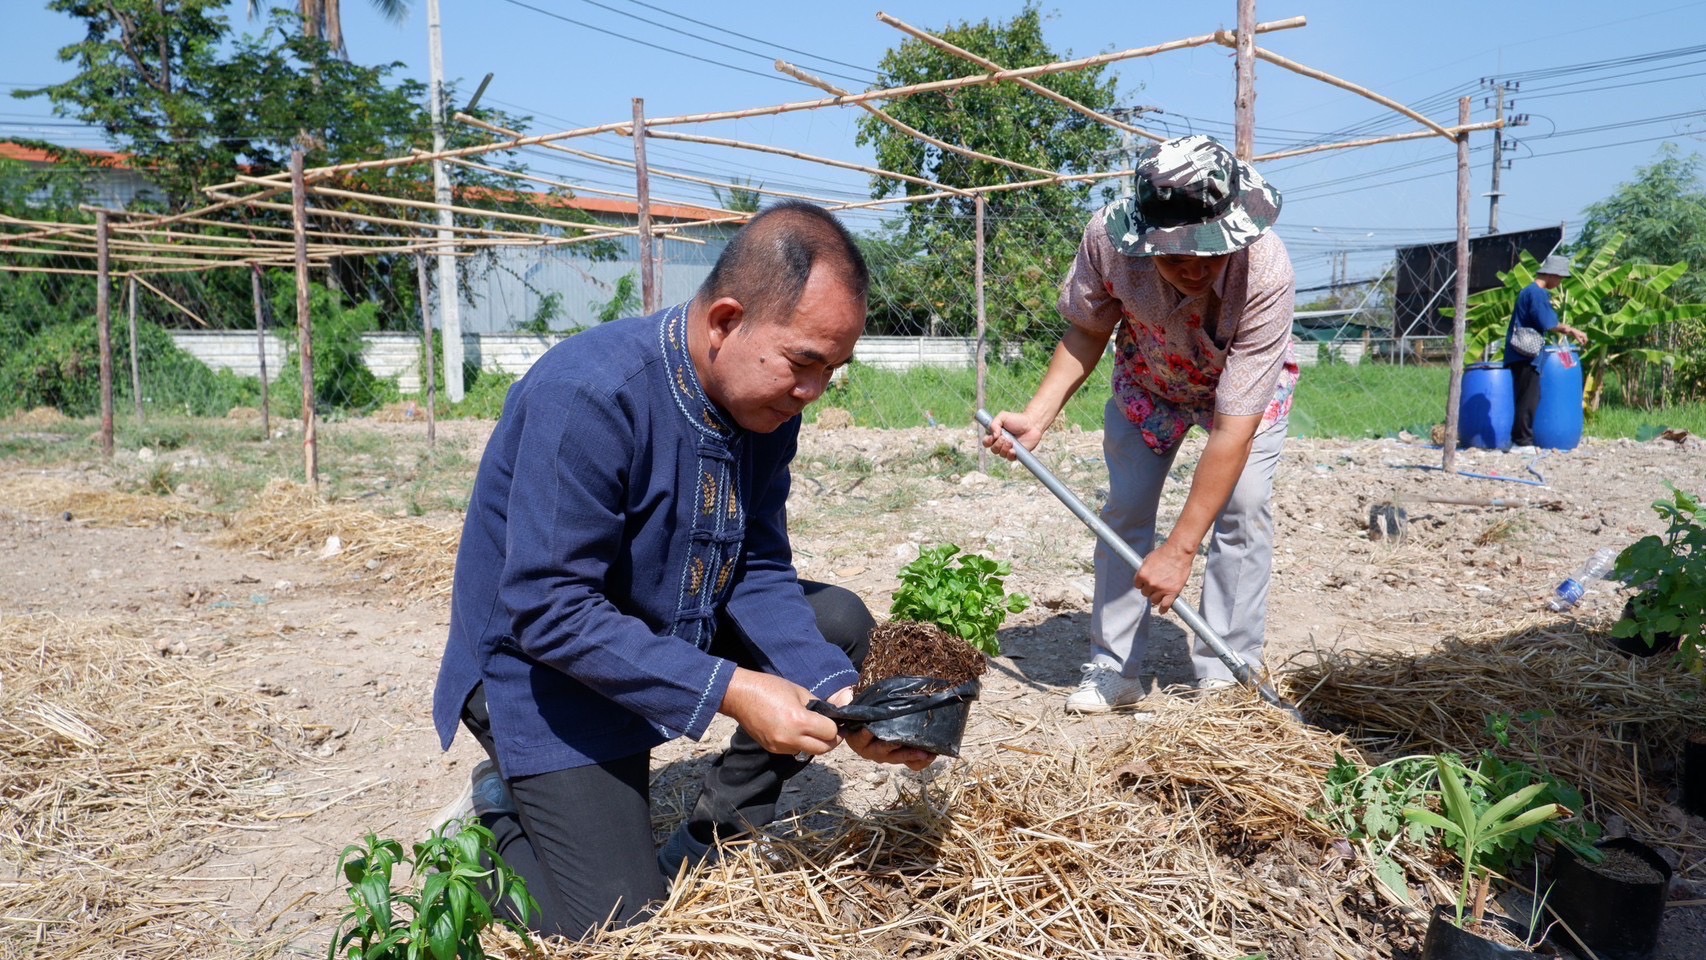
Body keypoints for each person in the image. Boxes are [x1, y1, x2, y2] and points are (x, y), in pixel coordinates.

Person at [432, 201, 933, 940]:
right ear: (726, 321)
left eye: (833, 369)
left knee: (837, 627)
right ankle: (489, 824)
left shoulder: (764, 410)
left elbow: (758, 563)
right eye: (804, 362)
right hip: (537, 668)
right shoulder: (590, 395)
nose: (814, 393)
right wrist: (732, 689)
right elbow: (547, 611)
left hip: (655, 621)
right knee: (610, 923)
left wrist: (838, 699)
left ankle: (710, 839)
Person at [984, 134, 1297, 714]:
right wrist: (1037, 415)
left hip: (1241, 390)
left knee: (1245, 505)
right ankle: (1115, 666)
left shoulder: (1266, 268)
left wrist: (1180, 550)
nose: (1195, 267)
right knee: (1126, 508)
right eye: (1176, 254)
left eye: (1210, 251)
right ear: (1144, 238)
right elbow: (1087, 329)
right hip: (1151, 374)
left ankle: (1228, 671)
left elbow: (1232, 429)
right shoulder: (1107, 240)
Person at [1504, 254, 1588, 450]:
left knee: (1525, 396)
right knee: (1529, 398)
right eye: (1559, 279)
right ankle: (1521, 442)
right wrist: (1572, 330)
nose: (1559, 283)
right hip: (1526, 355)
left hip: (1518, 354)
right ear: (1551, 275)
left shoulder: (1528, 292)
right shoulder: (1537, 294)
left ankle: (1518, 439)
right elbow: (1548, 323)